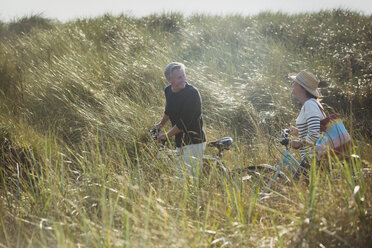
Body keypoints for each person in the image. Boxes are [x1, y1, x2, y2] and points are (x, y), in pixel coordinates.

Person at [154, 62, 206, 177]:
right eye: (179, 77)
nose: (184, 79)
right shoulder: (168, 90)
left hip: (194, 141)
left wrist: (165, 136)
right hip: (179, 142)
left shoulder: (192, 93)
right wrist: (160, 125)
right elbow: (168, 110)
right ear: (169, 79)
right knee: (178, 174)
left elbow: (183, 123)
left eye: (184, 76)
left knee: (186, 179)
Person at [288, 70, 325, 178]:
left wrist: (299, 143)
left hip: (314, 157)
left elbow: (314, 134)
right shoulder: (309, 104)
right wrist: (299, 131)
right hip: (314, 156)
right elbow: (315, 129)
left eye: (295, 82)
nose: (292, 83)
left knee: (295, 188)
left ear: (303, 87)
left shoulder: (310, 104)